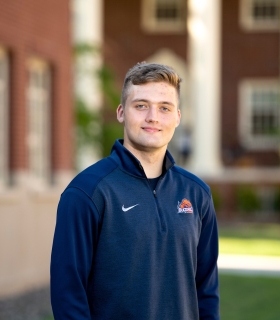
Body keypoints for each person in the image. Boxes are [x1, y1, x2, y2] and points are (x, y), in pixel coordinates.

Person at [50, 62, 219, 319]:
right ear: (121, 112)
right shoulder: (87, 192)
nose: (153, 117)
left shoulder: (196, 193)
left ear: (177, 117)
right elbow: (68, 293)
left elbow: (206, 289)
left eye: (164, 108)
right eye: (141, 106)